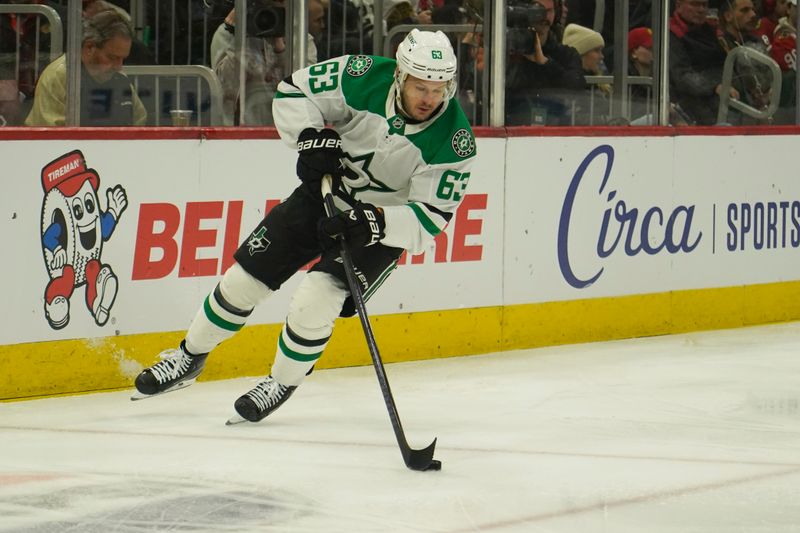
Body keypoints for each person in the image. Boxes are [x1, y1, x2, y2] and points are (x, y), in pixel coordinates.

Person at [133, 29, 477, 424]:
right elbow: (296, 91)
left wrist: (375, 222)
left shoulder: (455, 141)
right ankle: (188, 356)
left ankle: (280, 382)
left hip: (377, 227)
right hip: (326, 192)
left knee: (316, 297)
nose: (430, 99)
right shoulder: (361, 74)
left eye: (439, 88)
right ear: (400, 75)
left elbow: (430, 217)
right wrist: (310, 137)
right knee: (243, 280)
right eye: (421, 87)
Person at [210, 0, 324, 125]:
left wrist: (280, 47)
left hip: (289, 129)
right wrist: (241, 39)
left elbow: (306, 90)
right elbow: (224, 91)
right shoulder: (227, 35)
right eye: (265, 4)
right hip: (239, 134)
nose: (269, 12)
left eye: (278, 4)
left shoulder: (301, 39)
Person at [25, 9, 146, 126]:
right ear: (89, 47)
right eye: (112, 58)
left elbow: (139, 124)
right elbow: (49, 137)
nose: (119, 67)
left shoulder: (120, 79)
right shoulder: (58, 76)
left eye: (123, 59)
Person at [504, 0, 585, 125]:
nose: (543, 17)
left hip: (556, 131)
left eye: (548, 11)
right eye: (536, 10)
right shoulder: (506, 53)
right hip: (512, 129)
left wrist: (546, 63)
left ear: (556, 13)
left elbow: (577, 87)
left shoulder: (566, 54)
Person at [668, 0, 730, 125]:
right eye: (695, 4)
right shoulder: (670, 34)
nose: (701, 10)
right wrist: (714, 87)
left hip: (722, 97)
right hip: (689, 103)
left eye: (704, 5)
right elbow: (682, 76)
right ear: (678, 6)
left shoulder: (710, 31)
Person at [562, 23, 610, 124]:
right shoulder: (568, 85)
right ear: (581, 53)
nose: (602, 56)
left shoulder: (599, 84)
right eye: (597, 50)